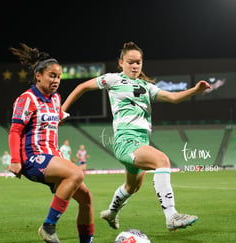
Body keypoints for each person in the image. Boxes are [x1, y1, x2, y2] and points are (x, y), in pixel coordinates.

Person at [61, 41, 210, 232]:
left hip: (141, 141)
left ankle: (111, 214)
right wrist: (62, 111)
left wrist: (195, 90)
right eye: (130, 62)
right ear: (121, 62)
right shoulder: (113, 79)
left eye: (138, 62)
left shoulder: (146, 86)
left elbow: (173, 98)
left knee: (131, 187)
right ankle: (171, 216)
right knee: (162, 161)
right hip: (126, 140)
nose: (135, 66)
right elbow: (82, 87)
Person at [8, 43, 105, 243]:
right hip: (33, 158)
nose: (56, 80)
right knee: (77, 173)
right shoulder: (27, 99)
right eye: (52, 76)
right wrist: (16, 161)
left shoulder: (56, 99)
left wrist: (58, 118)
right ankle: (48, 226)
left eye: (59, 77)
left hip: (52, 156)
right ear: (38, 76)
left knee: (87, 198)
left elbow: (51, 121)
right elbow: (14, 131)